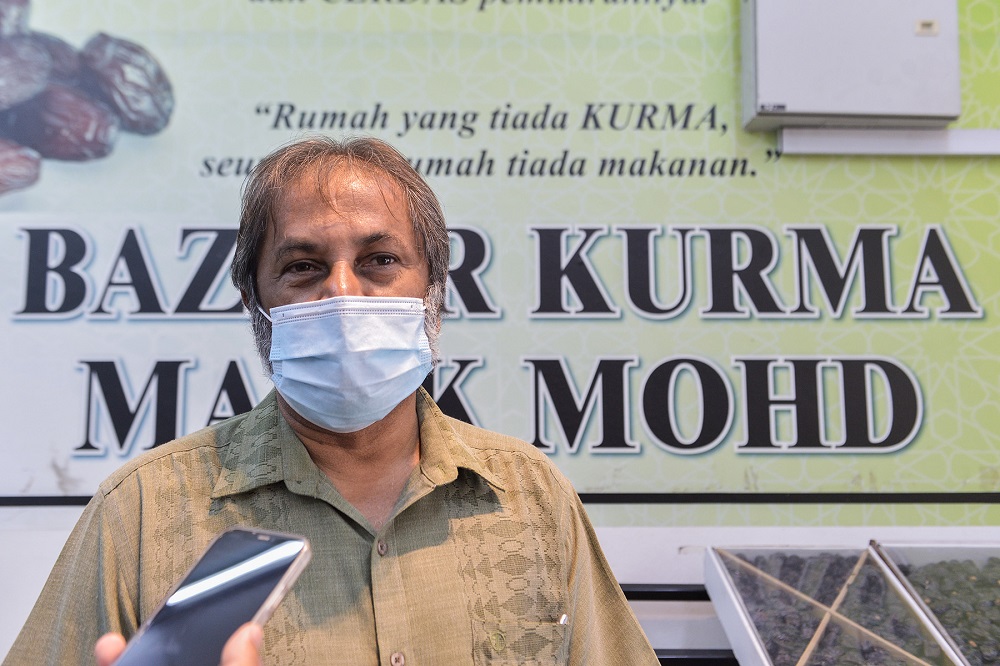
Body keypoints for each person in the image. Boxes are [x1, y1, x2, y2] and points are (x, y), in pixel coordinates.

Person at [4, 136, 658, 665]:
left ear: (432, 292)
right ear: (257, 305)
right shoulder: (141, 515)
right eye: (303, 267)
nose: (343, 296)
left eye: (378, 260)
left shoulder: (532, 498)